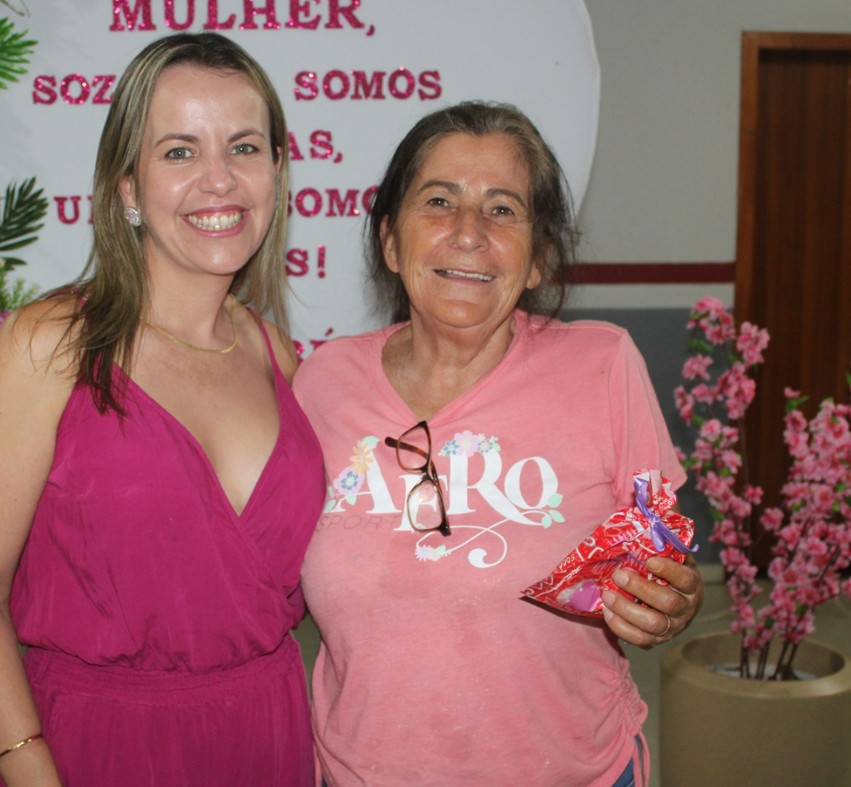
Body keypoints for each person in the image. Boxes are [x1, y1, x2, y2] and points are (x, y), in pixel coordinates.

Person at [0, 33, 323, 786]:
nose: (219, 179)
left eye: (245, 147)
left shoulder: (278, 357)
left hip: (267, 741)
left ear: (276, 171)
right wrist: (29, 768)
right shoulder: (49, 346)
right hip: (92, 749)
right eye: (179, 152)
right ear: (127, 188)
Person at [293, 101, 704, 786]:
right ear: (390, 242)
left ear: (538, 259)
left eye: (502, 209)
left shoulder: (602, 366)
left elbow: (659, 558)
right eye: (438, 201)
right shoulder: (323, 384)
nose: (467, 232)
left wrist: (672, 600)